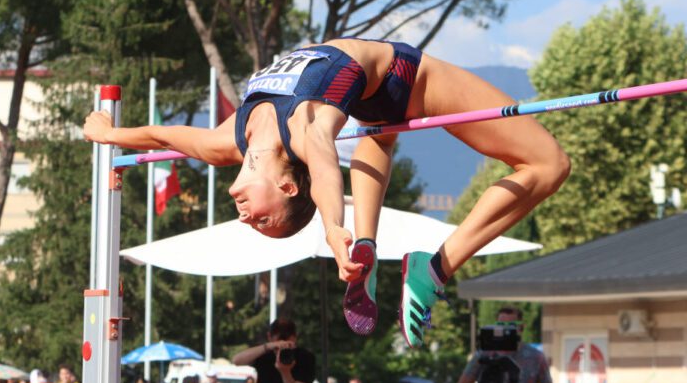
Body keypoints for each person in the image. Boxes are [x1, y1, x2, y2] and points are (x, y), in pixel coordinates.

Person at [83, 38, 570, 347]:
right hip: (405, 76)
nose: (246, 220)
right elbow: (326, 170)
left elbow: (163, 136)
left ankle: (370, 247)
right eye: (265, 222)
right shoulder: (303, 131)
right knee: (550, 164)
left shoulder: (222, 144)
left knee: (377, 131)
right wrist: (335, 228)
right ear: (288, 186)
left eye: (255, 224)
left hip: (368, 92)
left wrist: (109, 134)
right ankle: (433, 265)